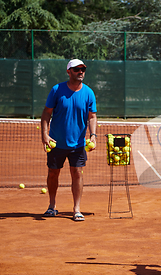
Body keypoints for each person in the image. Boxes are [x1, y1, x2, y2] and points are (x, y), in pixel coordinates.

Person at [40, 59, 97, 222]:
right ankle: (52, 206)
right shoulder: (57, 90)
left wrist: (93, 135)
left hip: (78, 144)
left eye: (83, 69)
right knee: (53, 173)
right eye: (77, 69)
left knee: (77, 173)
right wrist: (44, 134)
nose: (81, 72)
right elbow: (46, 113)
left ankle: (76, 209)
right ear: (69, 71)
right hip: (56, 143)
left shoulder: (88, 93)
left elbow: (92, 116)